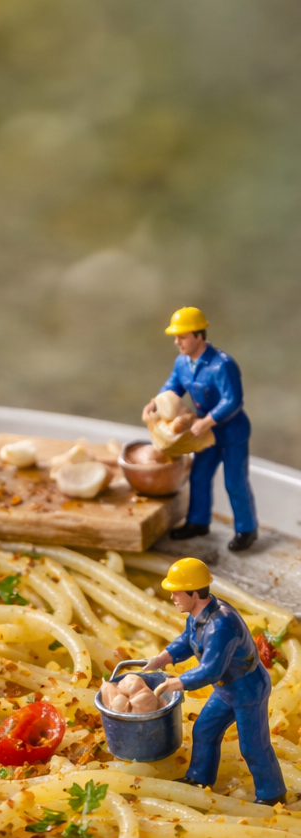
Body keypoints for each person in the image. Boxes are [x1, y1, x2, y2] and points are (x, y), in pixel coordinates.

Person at [145, 556, 285, 805]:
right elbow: (187, 638)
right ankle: (200, 779)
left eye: (176, 592)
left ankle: (272, 793)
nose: (172, 597)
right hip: (227, 689)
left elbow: (211, 670)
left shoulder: (221, 626)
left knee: (253, 746)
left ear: (194, 593)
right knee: (204, 729)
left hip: (248, 690)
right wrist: (162, 658)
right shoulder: (199, 614)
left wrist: (176, 683)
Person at [144, 307, 258, 553]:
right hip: (203, 436)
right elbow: (172, 386)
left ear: (198, 336)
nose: (177, 342)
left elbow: (232, 400)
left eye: (182, 337)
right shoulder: (182, 362)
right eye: (176, 337)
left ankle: (246, 529)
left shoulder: (222, 365)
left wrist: (206, 421)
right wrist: (154, 403)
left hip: (231, 433)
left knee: (234, 481)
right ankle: (197, 521)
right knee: (198, 476)